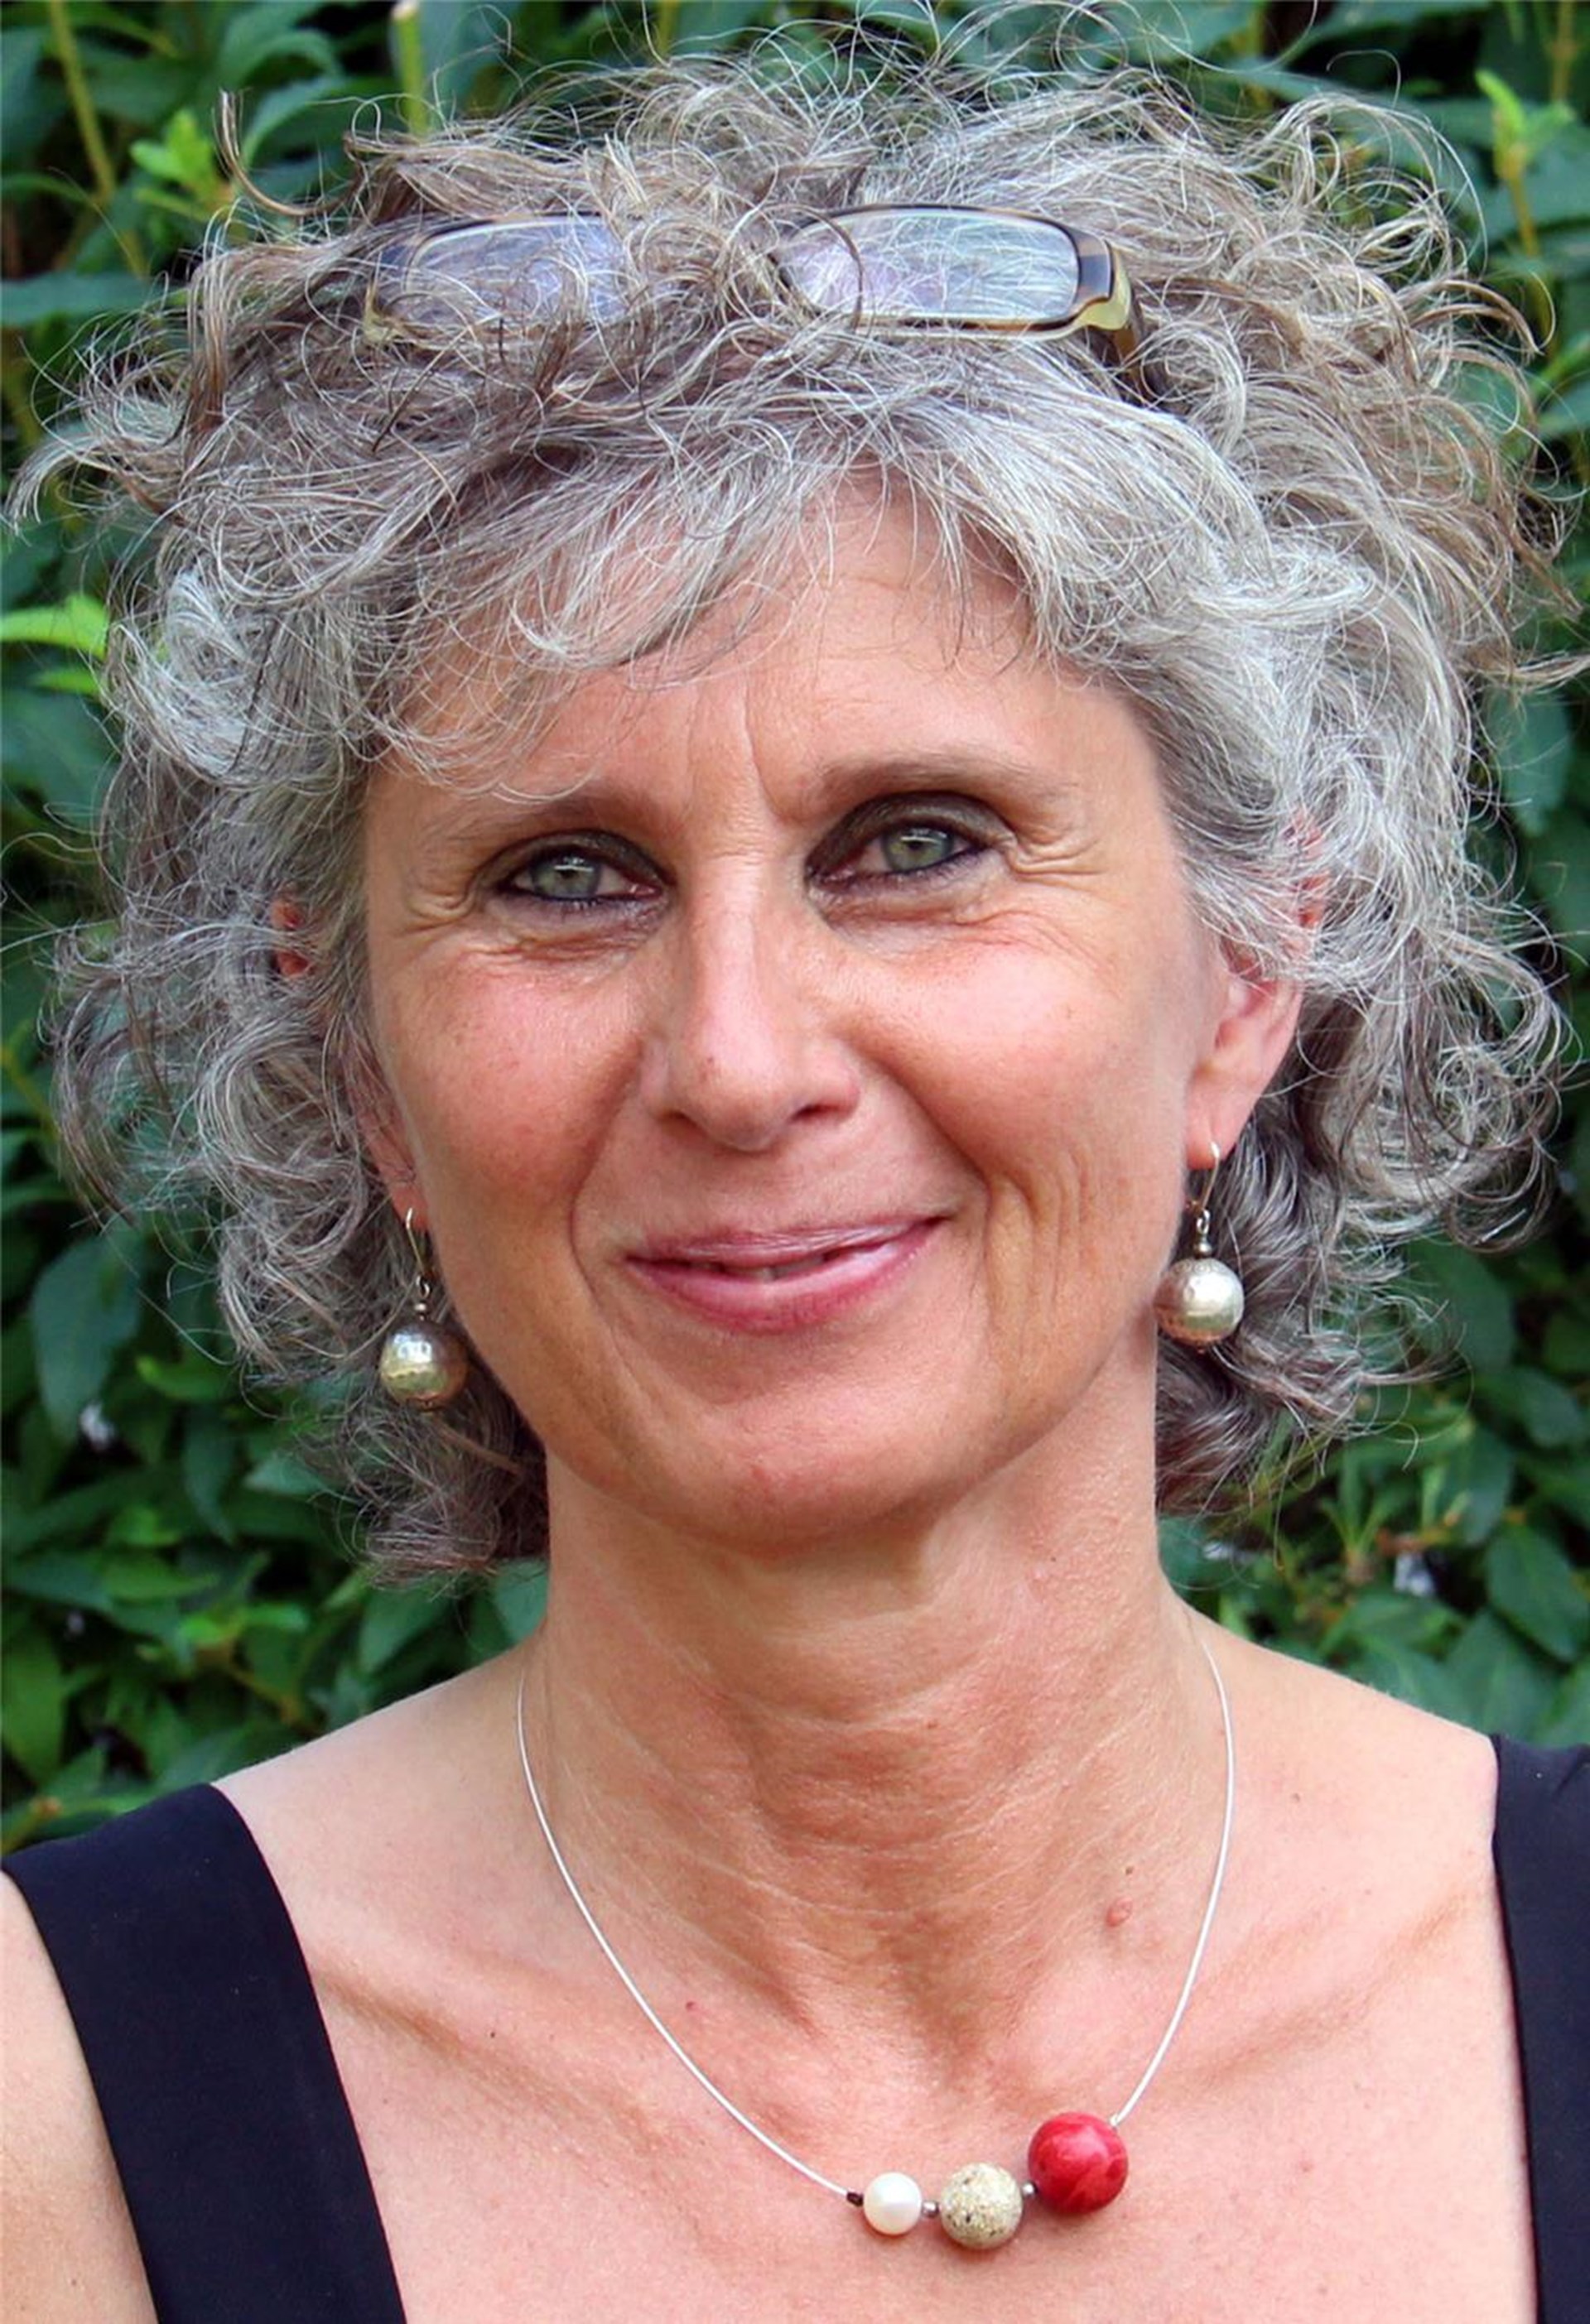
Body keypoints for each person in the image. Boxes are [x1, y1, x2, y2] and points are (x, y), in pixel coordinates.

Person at [3, 52, 1585, 2324]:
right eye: (565, 876)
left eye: (917, 844)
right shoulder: (48, 2130)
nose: (740, 1062)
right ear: (363, 1065)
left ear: (1251, 971)